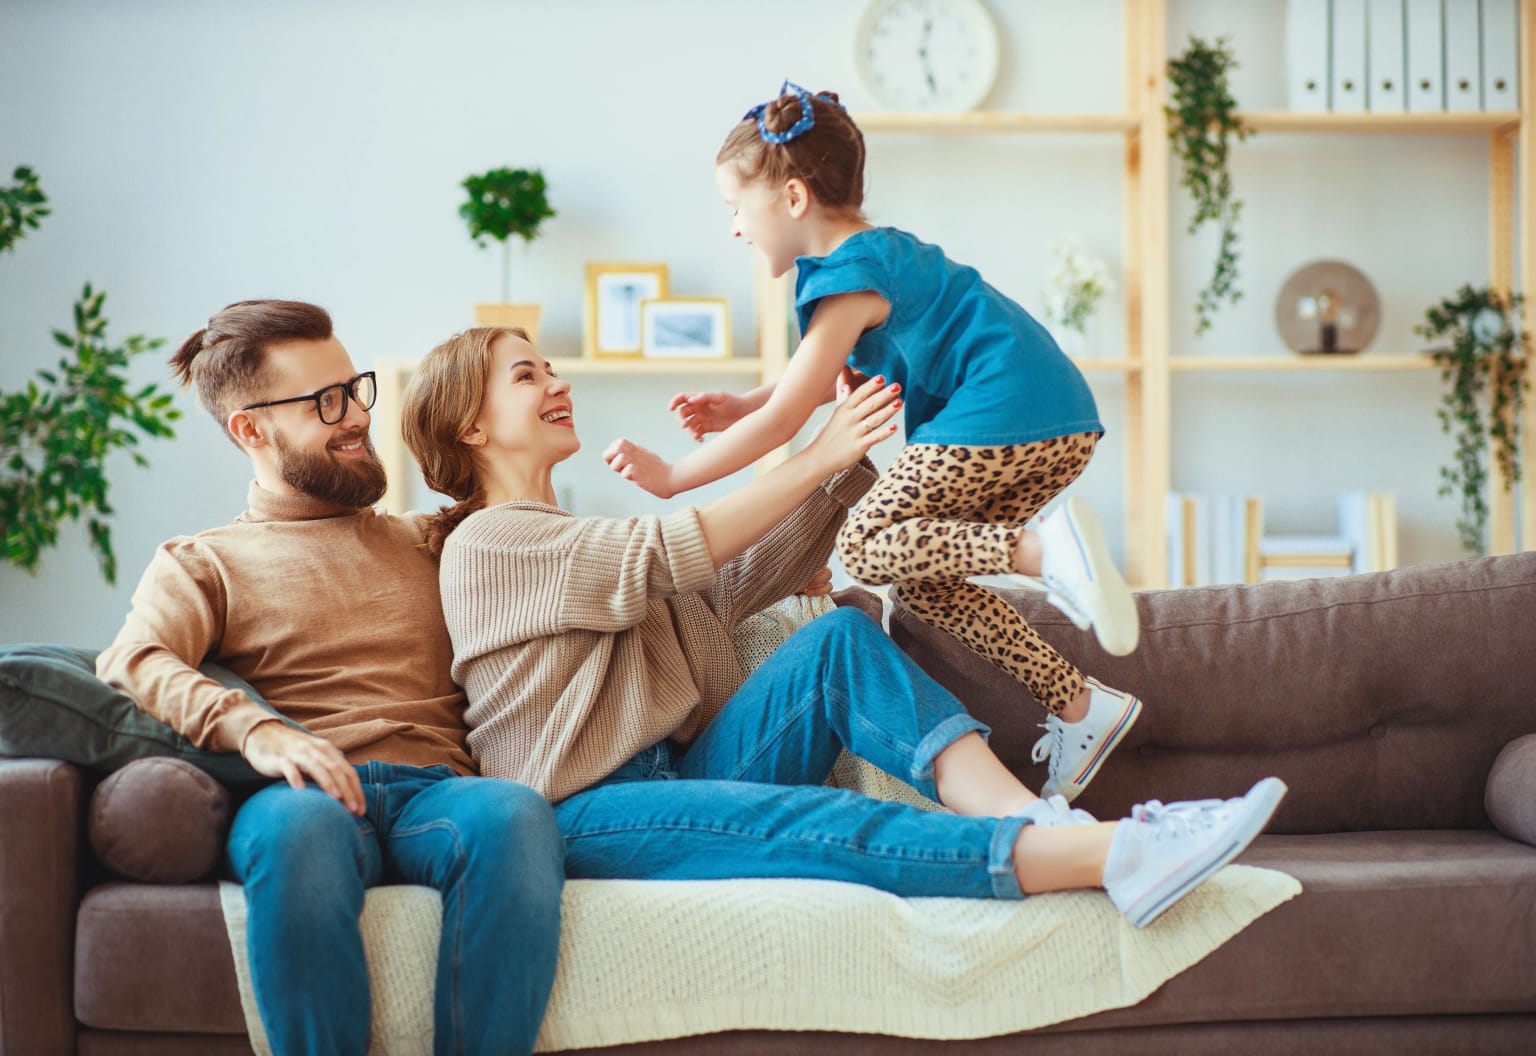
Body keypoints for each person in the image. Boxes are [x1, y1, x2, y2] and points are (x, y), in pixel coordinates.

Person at [399, 324, 1286, 930]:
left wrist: (847, 450)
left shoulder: (574, 539)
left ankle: (1035, 815)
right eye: (528, 375)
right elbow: (673, 549)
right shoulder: (490, 543)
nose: (557, 382)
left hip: (678, 772)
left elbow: (724, 583)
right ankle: (1109, 854)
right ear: (471, 424)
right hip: (580, 813)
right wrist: (814, 451)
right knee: (818, 822)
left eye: (550, 366)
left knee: (836, 642)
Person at [600, 81, 1144, 805]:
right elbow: (812, 384)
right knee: (921, 580)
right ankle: (1080, 704)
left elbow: (789, 420)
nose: (735, 229)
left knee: (864, 545)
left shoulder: (847, 274)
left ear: (792, 200)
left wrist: (674, 476)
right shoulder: (878, 258)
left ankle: (1048, 554)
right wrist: (742, 406)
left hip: (1007, 408)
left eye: (736, 209)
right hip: (1051, 419)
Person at [94, 301, 564, 1056]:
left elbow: (563, 550)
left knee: (512, 814)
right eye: (324, 402)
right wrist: (262, 730)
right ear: (250, 429)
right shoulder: (203, 561)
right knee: (301, 835)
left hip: (436, 792)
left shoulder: (432, 539)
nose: (355, 418)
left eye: (355, 388)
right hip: (304, 796)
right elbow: (132, 661)